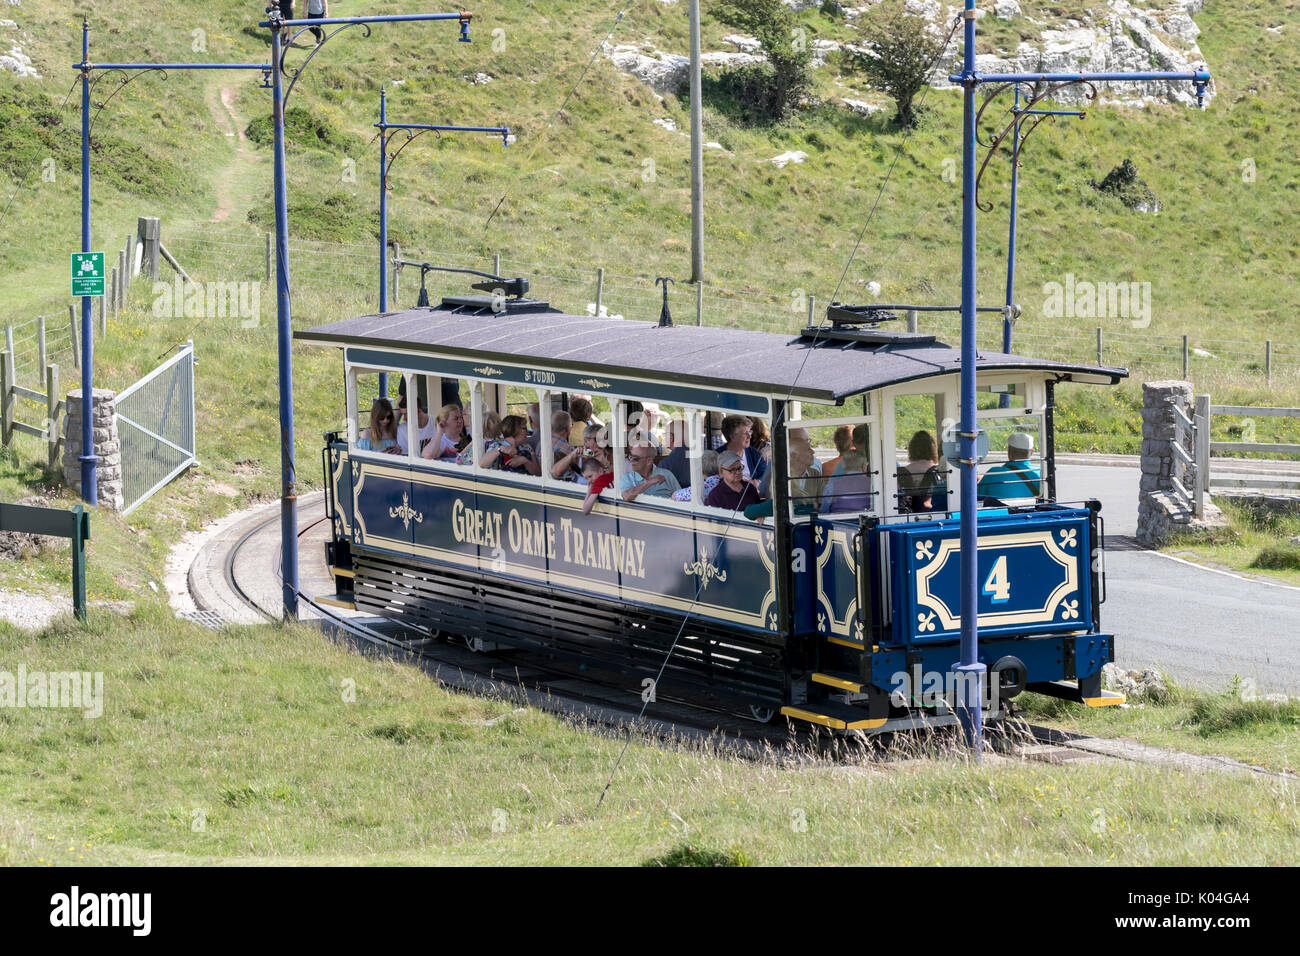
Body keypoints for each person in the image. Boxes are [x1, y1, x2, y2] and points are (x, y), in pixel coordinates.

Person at [977, 432, 1041, 502]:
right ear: (1031, 452)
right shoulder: (1040, 474)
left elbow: (978, 496)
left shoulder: (993, 473)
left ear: (1009, 451)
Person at [896, 429, 944, 513]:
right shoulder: (938, 471)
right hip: (933, 512)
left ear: (912, 448)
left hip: (907, 514)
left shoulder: (902, 472)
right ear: (933, 449)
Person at [820, 446, 872, 514]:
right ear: (864, 466)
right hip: (866, 520)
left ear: (843, 466)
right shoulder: (872, 484)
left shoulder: (831, 487)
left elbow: (824, 512)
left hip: (839, 520)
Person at [719, 414, 767, 486]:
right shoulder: (718, 456)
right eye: (745, 433)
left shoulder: (753, 452)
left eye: (749, 432)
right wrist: (748, 484)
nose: (749, 436)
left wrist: (758, 482)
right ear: (732, 437)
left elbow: (765, 473)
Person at [580, 450, 615, 515]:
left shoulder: (599, 481)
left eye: (590, 476)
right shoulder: (612, 475)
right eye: (586, 478)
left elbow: (585, 511)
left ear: (600, 471)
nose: (589, 481)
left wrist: (589, 490)